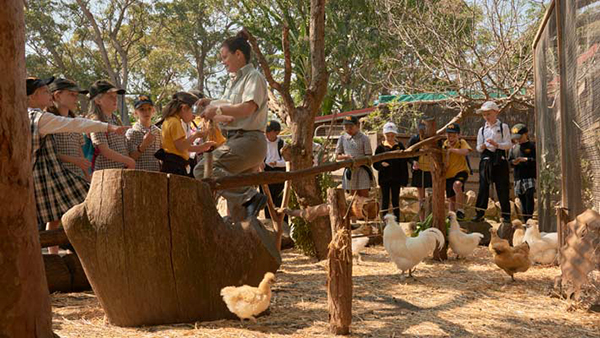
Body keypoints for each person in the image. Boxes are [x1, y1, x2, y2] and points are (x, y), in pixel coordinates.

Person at [27, 76, 128, 254]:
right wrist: (108, 128)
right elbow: (76, 124)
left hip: (53, 177)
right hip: (43, 178)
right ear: (31, 97)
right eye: (44, 91)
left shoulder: (36, 117)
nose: (48, 94)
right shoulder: (40, 118)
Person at [193, 31, 269, 220]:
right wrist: (210, 103)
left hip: (249, 141)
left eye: (225, 57)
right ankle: (245, 230)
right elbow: (230, 104)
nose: (223, 62)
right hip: (239, 141)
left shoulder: (254, 77)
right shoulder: (236, 81)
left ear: (238, 54)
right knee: (237, 212)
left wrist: (215, 111)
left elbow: (247, 108)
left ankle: (251, 197)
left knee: (202, 170)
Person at [156, 92, 219, 176]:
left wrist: (202, 147)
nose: (194, 117)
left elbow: (183, 147)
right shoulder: (174, 122)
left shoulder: (170, 120)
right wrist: (196, 135)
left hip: (173, 164)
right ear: (184, 108)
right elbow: (181, 146)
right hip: (175, 165)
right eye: (192, 112)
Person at [473, 101, 512, 223]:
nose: (486, 117)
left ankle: (506, 215)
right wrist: (484, 145)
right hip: (486, 160)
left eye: (488, 113)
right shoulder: (482, 130)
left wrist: (497, 144)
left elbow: (508, 144)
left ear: (496, 112)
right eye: (484, 114)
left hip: (499, 159)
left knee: (502, 187)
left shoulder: (503, 127)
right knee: (483, 187)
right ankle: (479, 213)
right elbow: (478, 147)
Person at [46, 78, 91, 180]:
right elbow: (48, 153)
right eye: (71, 94)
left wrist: (87, 175)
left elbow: (79, 149)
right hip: (57, 177)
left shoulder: (75, 121)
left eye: (77, 95)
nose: (76, 99)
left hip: (78, 176)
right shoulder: (48, 121)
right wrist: (73, 160)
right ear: (57, 95)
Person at [87, 80, 135, 171]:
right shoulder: (96, 121)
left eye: (115, 96)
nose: (115, 99)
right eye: (110, 97)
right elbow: (104, 150)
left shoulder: (116, 120)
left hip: (120, 170)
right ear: (98, 100)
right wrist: (129, 161)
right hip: (105, 173)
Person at [373, 122, 409, 220]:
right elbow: (375, 164)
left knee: (395, 200)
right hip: (384, 178)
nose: (390, 137)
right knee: (385, 200)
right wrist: (381, 165)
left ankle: (397, 222)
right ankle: (384, 221)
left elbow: (404, 163)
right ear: (384, 135)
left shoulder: (400, 146)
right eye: (388, 135)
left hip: (396, 178)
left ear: (395, 135)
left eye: (392, 135)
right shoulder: (380, 147)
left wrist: (404, 180)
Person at [336, 115, 373, 198]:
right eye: (346, 127)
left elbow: (369, 156)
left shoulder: (364, 138)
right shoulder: (342, 138)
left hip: (362, 170)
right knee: (351, 198)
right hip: (350, 170)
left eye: (351, 127)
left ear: (357, 126)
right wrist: (346, 157)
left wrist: (359, 162)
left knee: (364, 197)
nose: (348, 129)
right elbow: (337, 156)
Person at [443, 123, 471, 220]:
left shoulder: (461, 142)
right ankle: (452, 216)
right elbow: (445, 163)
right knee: (451, 197)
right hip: (449, 174)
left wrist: (452, 150)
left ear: (458, 135)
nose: (451, 138)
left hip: (461, 171)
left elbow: (465, 151)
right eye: (449, 135)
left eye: (454, 136)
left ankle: (460, 210)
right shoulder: (444, 145)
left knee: (457, 185)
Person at [126, 95, 162, 172]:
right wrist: (144, 145)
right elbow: (129, 158)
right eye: (142, 109)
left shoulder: (158, 132)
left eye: (149, 109)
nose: (146, 112)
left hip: (156, 174)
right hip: (138, 175)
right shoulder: (132, 132)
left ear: (153, 110)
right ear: (135, 113)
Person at [508, 124, 536, 222]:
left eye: (519, 137)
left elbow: (536, 160)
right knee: (522, 199)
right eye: (516, 138)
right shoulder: (513, 148)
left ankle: (530, 218)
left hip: (529, 177)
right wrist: (513, 162)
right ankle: (525, 220)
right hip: (518, 178)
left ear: (526, 134)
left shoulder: (532, 146)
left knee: (529, 196)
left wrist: (526, 159)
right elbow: (509, 161)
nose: (518, 140)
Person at [260, 120, 286, 219]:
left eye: (269, 132)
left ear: (276, 132)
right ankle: (269, 221)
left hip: (279, 173)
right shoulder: (262, 143)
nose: (266, 134)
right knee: (267, 200)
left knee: (280, 200)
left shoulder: (282, 143)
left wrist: (277, 163)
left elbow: (286, 161)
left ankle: (283, 222)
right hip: (265, 172)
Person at [407, 121, 433, 221]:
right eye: (421, 128)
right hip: (419, 170)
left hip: (430, 170)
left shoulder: (433, 139)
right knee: (421, 199)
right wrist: (413, 162)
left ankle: (432, 218)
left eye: (425, 128)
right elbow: (408, 154)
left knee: (431, 197)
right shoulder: (414, 139)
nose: (423, 131)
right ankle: (422, 221)